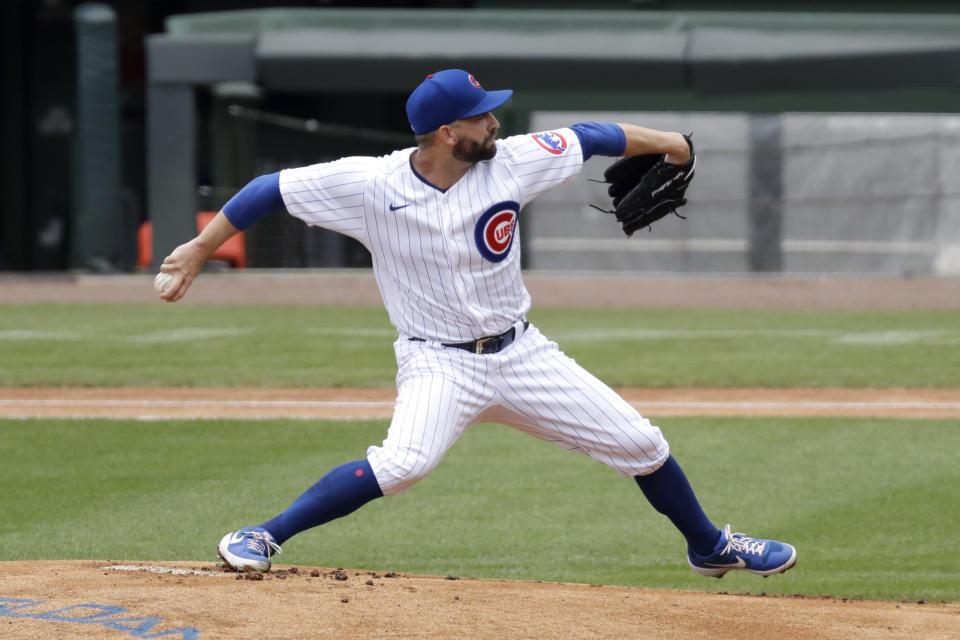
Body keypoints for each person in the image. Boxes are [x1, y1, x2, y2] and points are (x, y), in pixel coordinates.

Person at [158, 69, 796, 580]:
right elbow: (269, 188)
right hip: (438, 362)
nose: (495, 121)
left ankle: (710, 547)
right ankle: (264, 535)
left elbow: (592, 135)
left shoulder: (512, 161)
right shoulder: (369, 184)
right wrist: (196, 249)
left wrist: (671, 143)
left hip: (523, 355)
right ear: (443, 133)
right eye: (481, 114)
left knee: (643, 445)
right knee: (404, 464)